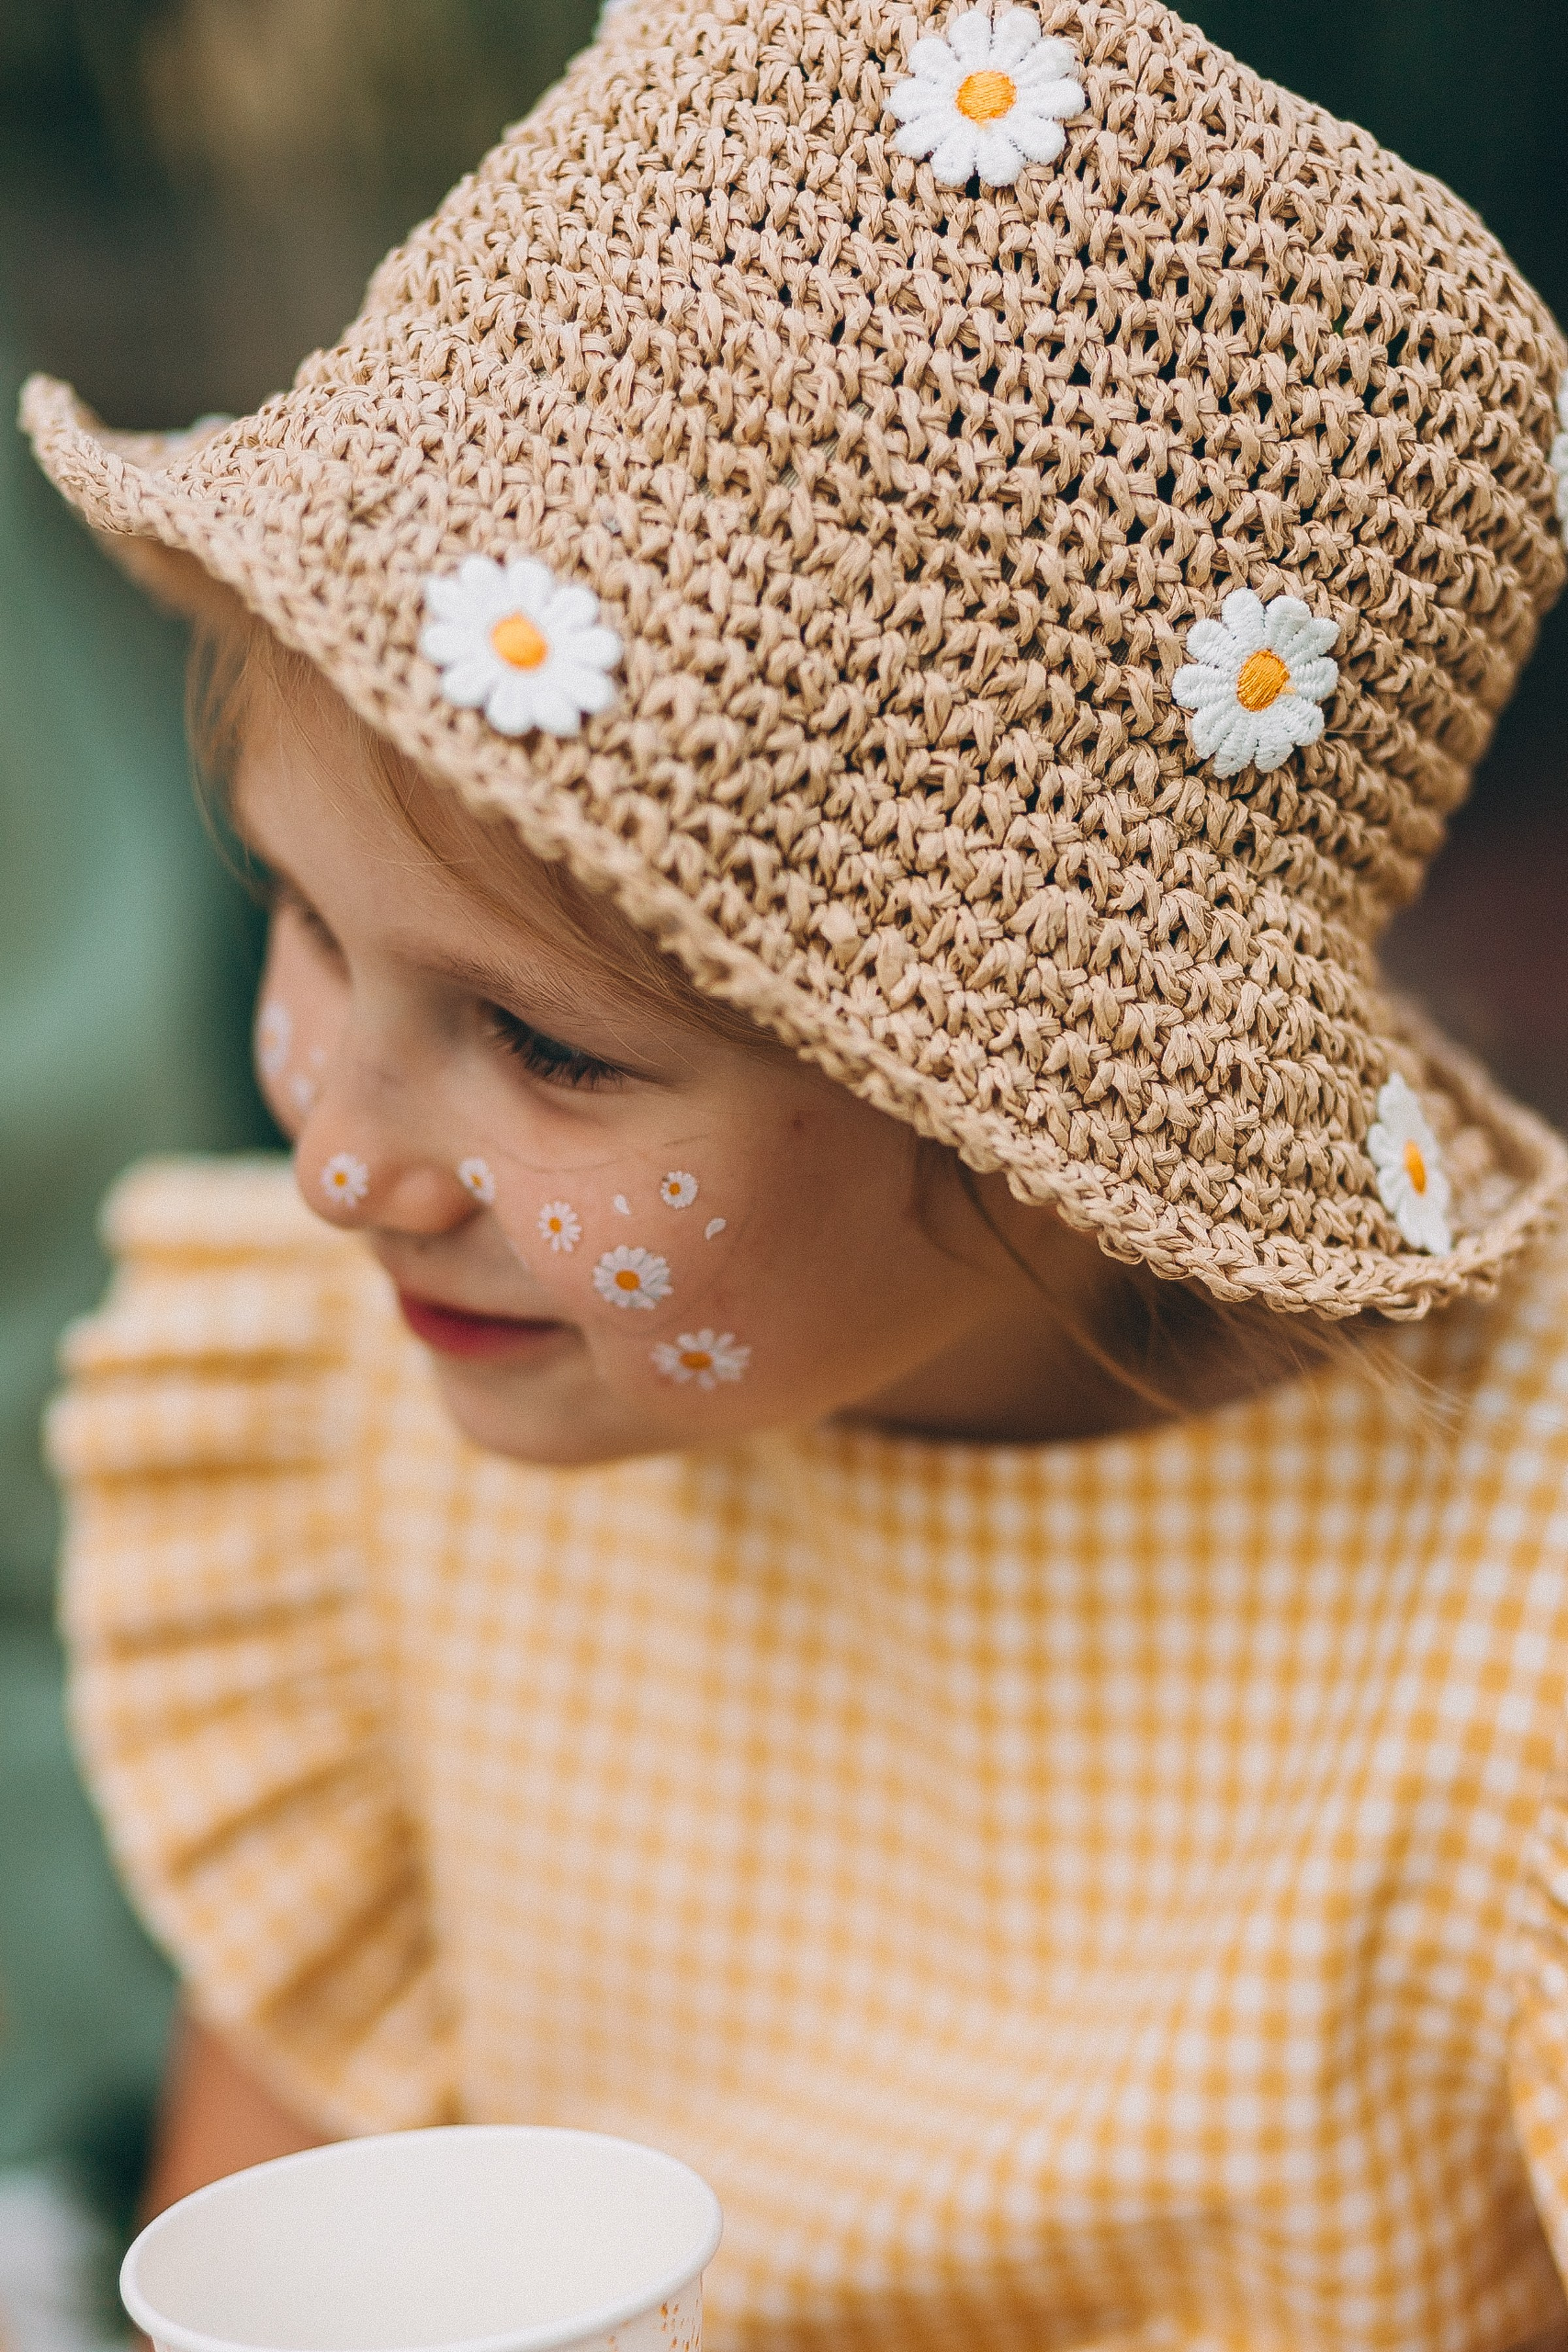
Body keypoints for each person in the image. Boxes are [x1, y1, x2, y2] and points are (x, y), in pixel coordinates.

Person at [24, 0, 1568, 2339]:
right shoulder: (388, 1439)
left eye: (548, 1048)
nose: (340, 1162)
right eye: (306, 928)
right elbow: (283, 2214)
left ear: (1067, 1115)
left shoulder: (1503, 1637)